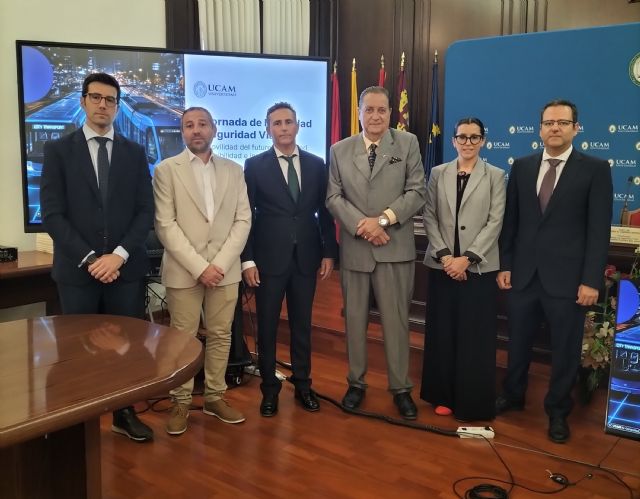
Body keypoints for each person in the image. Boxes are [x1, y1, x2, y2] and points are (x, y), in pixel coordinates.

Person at [40, 72, 155, 442]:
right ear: (83, 101)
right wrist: (91, 259)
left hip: (125, 270)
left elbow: (145, 211)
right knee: (76, 350)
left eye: (110, 100)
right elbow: (53, 214)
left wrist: (118, 256)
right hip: (78, 272)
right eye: (96, 97)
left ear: (117, 107)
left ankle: (124, 413)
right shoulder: (59, 151)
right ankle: (77, 421)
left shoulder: (134, 153)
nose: (103, 105)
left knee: (127, 347)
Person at [496, 99, 613, 443]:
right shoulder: (522, 166)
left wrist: (590, 280)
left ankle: (558, 411)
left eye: (562, 122)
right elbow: (511, 222)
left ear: (576, 128)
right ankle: (513, 395)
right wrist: (505, 264)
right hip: (523, 276)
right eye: (549, 123)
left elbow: (598, 231)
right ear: (540, 129)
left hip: (568, 281)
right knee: (518, 342)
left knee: (564, 350)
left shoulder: (595, 169)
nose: (555, 128)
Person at [326, 86, 426, 420]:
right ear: (359, 113)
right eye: (369, 110)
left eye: (382, 110)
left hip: (394, 249)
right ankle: (356, 383)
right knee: (354, 321)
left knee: (396, 323)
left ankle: (401, 389)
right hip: (356, 250)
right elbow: (333, 197)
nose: (375, 116)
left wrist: (382, 220)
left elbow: (417, 191)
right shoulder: (340, 150)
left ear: (390, 113)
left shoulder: (407, 143)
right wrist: (363, 225)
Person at [153, 106, 251, 435]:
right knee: (183, 337)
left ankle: (214, 397)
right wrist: (200, 268)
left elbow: (243, 220)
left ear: (214, 129)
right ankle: (180, 401)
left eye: (202, 124)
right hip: (184, 271)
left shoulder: (234, 170)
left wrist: (218, 265)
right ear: (182, 132)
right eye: (189, 125)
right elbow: (165, 225)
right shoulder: (166, 170)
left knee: (222, 335)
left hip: (225, 270)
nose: (196, 130)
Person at [241, 102, 338, 417]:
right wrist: (248, 260)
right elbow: (246, 216)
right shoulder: (254, 166)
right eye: (276, 123)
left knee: (301, 326)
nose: (283, 128)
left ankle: (304, 385)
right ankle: (269, 390)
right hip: (268, 261)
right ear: (268, 129)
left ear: (297, 126)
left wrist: (329, 251)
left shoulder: (316, 164)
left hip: (306, 259)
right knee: (268, 327)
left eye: (288, 122)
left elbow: (324, 212)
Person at [421, 117, 506, 421]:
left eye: (474, 137)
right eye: (462, 137)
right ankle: (443, 395)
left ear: (483, 141)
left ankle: (471, 400)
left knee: (474, 337)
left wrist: (466, 259)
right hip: (442, 267)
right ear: (453, 141)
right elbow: (429, 216)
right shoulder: (438, 173)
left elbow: (495, 221)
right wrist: (446, 258)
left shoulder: (496, 175)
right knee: (443, 334)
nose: (467, 142)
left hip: (478, 269)